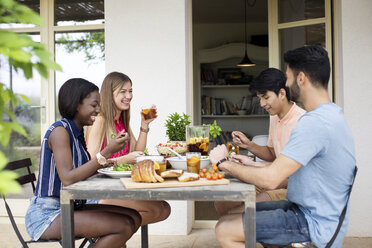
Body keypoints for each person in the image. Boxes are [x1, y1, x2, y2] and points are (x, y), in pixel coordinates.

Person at [210, 45, 356, 248]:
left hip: (314, 222)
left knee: (225, 230)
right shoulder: (332, 115)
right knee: (229, 218)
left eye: (288, 78)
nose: (286, 85)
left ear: (301, 78)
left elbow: (271, 180)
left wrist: (224, 162)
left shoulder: (314, 122)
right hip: (308, 209)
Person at [25, 78, 142, 248]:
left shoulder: (77, 133)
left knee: (134, 218)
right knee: (122, 227)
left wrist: (108, 158)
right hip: (48, 213)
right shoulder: (60, 131)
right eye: (94, 105)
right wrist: (107, 151)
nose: (98, 109)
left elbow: (86, 170)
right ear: (76, 105)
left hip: (73, 205)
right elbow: (67, 178)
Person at [214, 68, 306, 216]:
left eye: (266, 97)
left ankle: (238, 233)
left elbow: (292, 175)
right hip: (273, 178)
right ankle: (243, 235)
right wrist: (249, 145)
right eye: (260, 98)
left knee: (240, 211)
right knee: (223, 202)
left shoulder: (303, 121)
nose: (262, 103)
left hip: (293, 187)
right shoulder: (275, 118)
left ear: (282, 93)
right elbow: (272, 153)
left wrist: (256, 169)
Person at [85, 71, 171, 226]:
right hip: (97, 191)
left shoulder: (121, 121)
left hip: (118, 187)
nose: (129, 96)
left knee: (164, 209)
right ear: (109, 94)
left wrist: (144, 126)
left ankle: (113, 235)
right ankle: (112, 234)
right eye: (123, 91)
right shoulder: (100, 120)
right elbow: (90, 163)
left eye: (130, 91)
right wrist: (120, 160)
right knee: (156, 209)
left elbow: (136, 153)